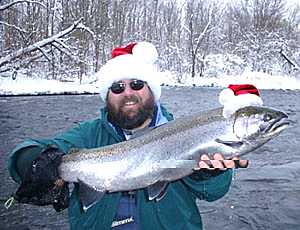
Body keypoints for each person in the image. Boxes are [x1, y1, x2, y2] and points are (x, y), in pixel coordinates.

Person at [7, 41, 248, 230]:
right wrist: (37, 161)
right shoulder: (88, 136)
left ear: (152, 89)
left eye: (137, 84)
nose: (128, 93)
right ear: (107, 95)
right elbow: (21, 156)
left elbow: (212, 193)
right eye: (117, 87)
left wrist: (208, 172)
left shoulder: (186, 134)